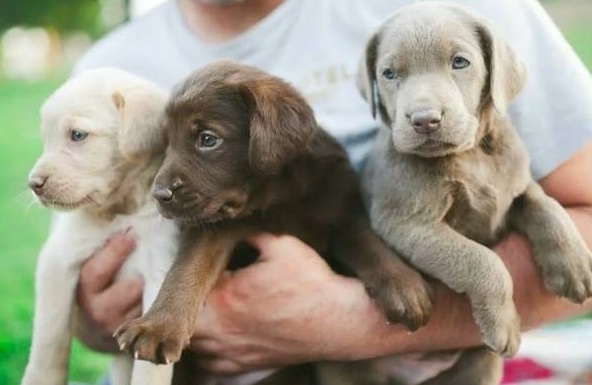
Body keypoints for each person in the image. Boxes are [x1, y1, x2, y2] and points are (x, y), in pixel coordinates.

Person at [72, 0, 592, 382]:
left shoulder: (471, 14)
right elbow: (79, 287)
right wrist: (103, 317)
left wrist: (349, 326)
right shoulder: (107, 72)